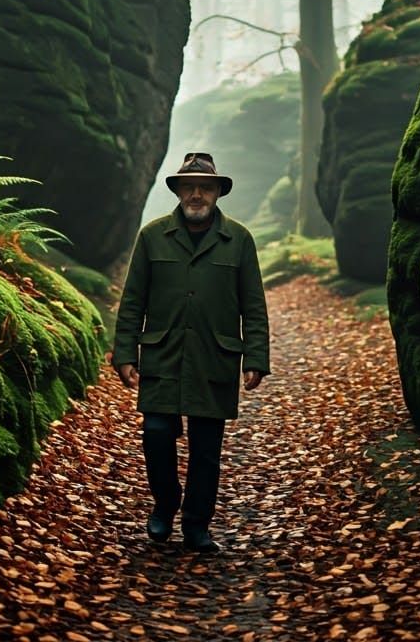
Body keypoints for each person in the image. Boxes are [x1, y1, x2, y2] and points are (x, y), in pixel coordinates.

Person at [112, 152, 271, 554]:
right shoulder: (152, 236)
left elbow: (253, 305)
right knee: (156, 433)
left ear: (218, 192)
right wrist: (124, 353)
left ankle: (197, 525)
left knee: (206, 449)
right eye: (189, 187)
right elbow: (133, 300)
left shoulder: (239, 240)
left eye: (205, 187)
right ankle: (165, 503)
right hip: (163, 353)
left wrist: (255, 359)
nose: (196, 194)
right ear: (179, 191)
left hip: (215, 357)